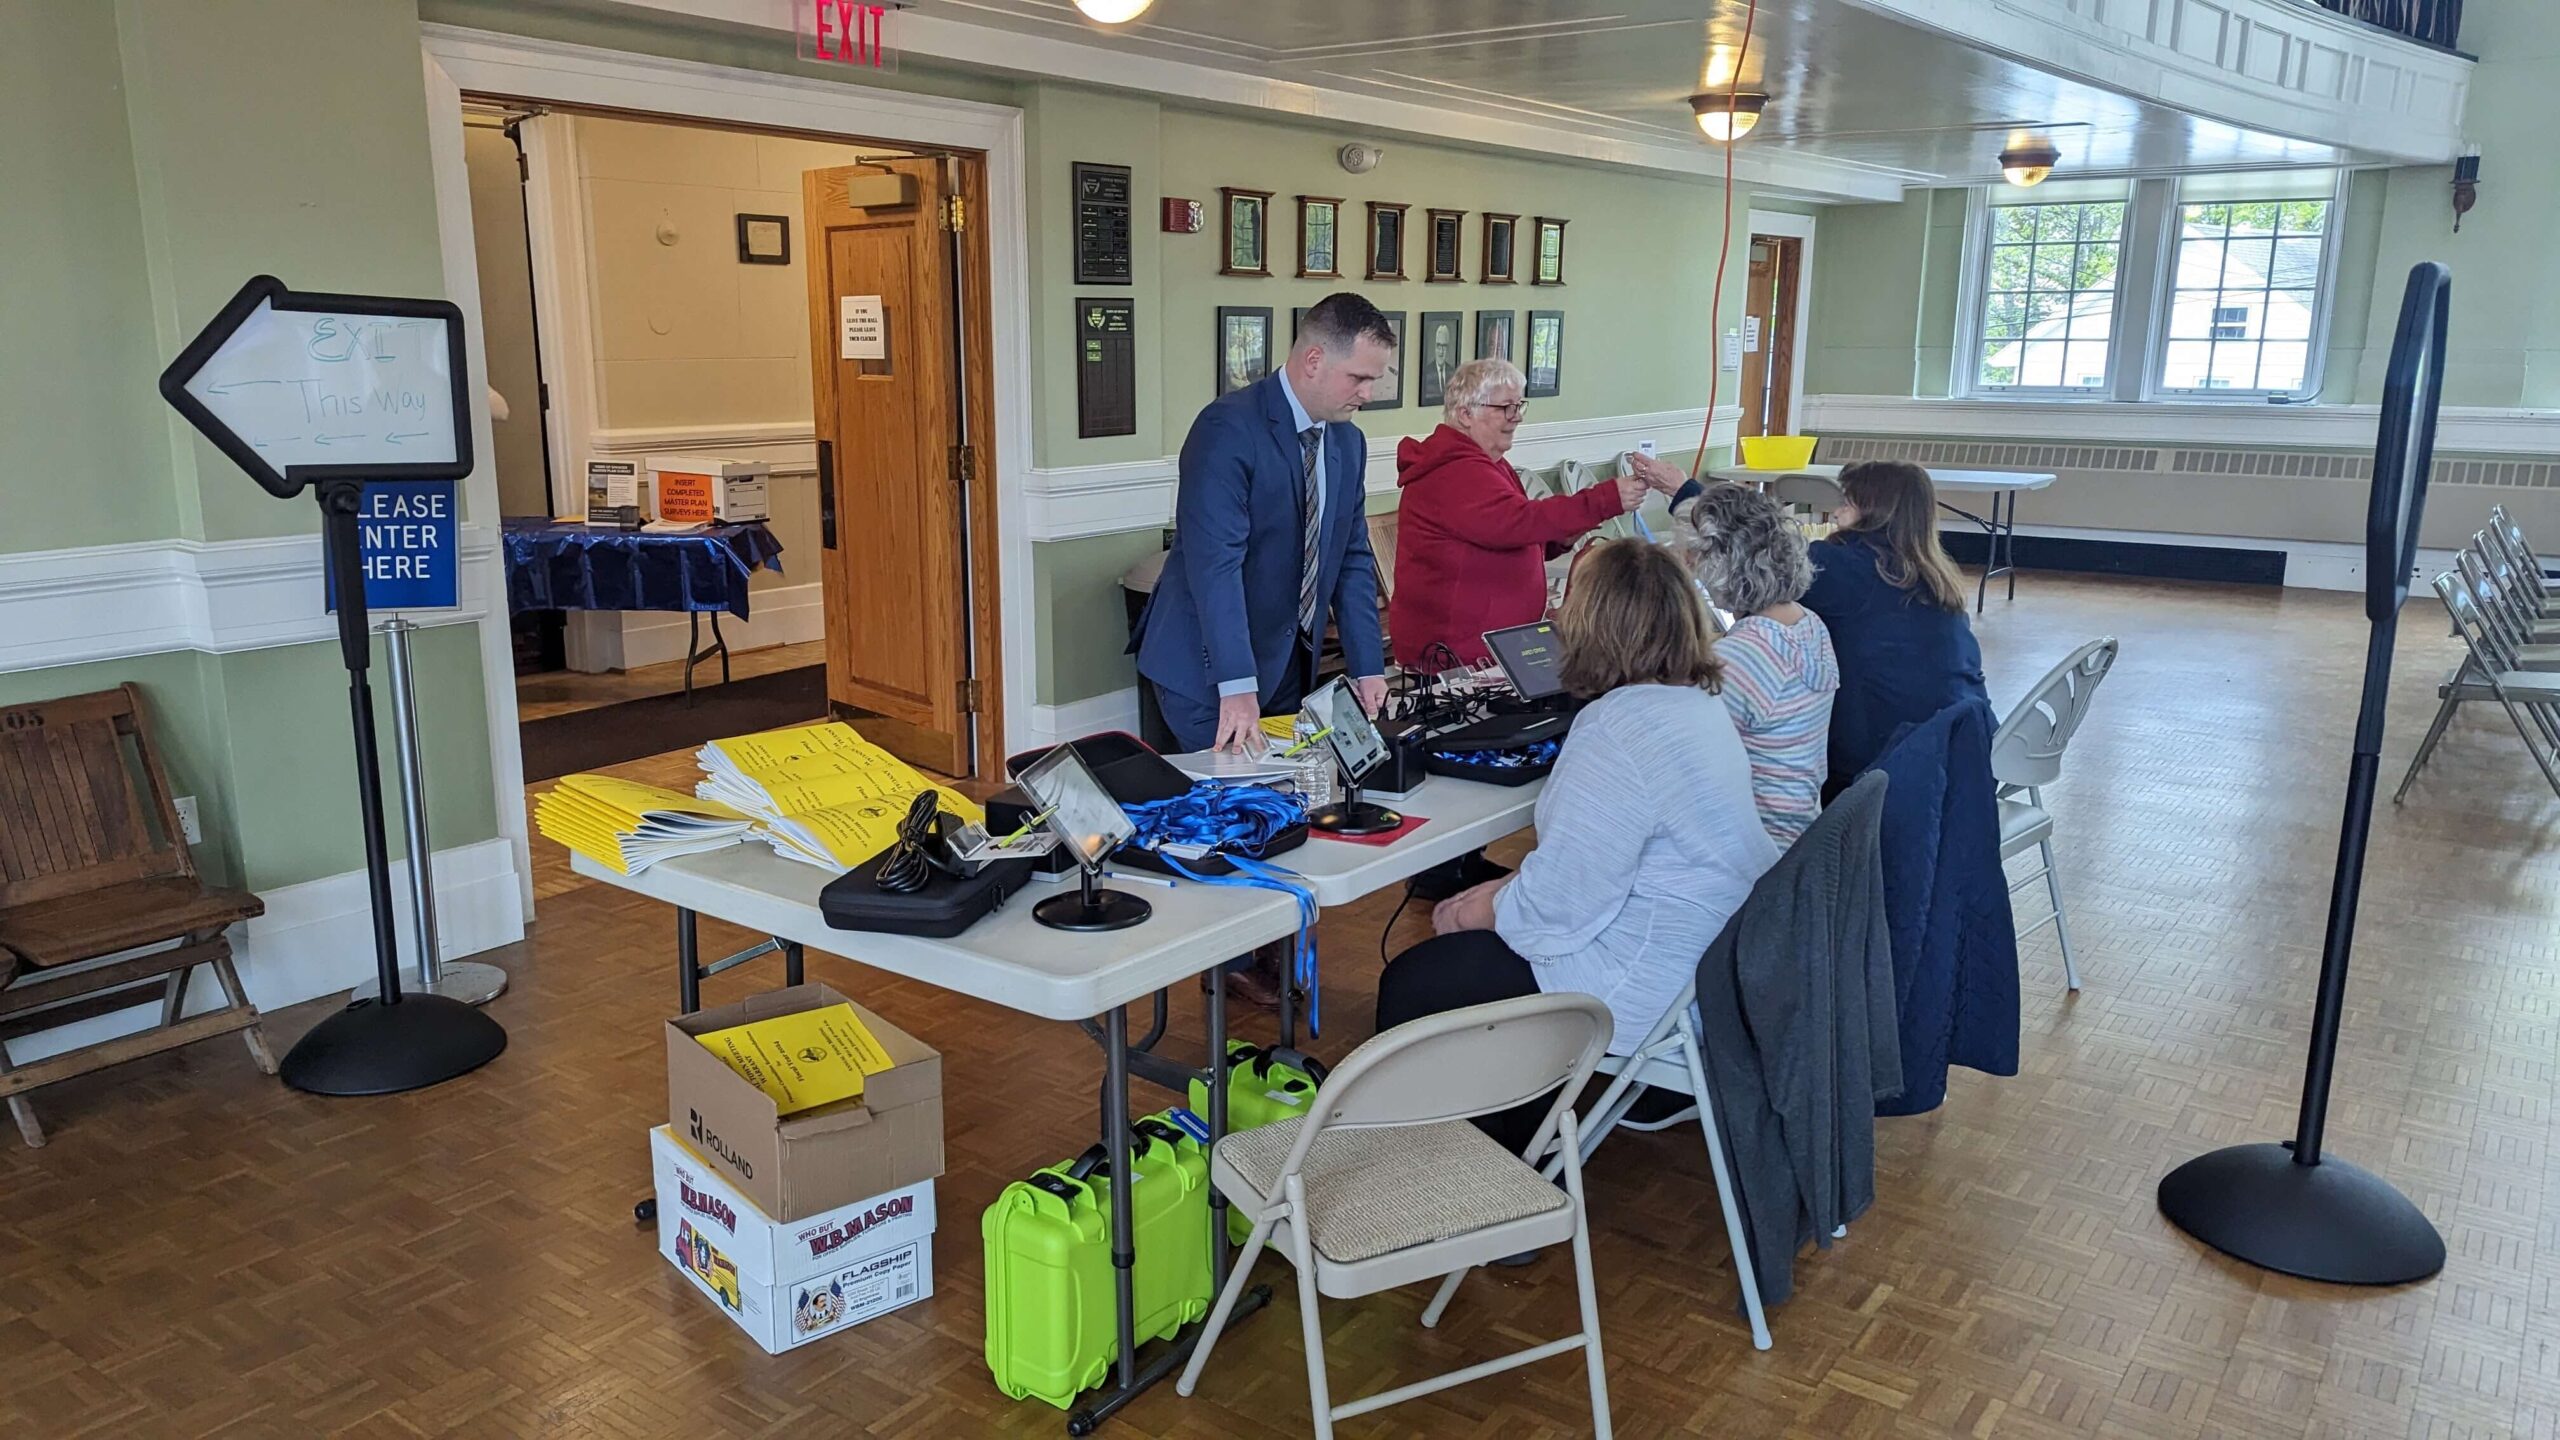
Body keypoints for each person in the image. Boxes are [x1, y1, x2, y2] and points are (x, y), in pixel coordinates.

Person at [1373, 538, 1780, 1154]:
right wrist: (1501, 892)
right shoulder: (1694, 703)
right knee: (1477, 925)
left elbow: (1558, 914)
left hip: (1654, 989)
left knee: (1417, 980)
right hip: (1713, 964)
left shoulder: (1616, 731)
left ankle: (1478, 1180)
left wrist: (1474, 911)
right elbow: (1587, 872)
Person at [1132, 292, 1395, 755]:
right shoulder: (1227, 430)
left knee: (1287, 803)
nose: (1368, 394)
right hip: (1208, 672)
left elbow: (1351, 557)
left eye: (1375, 379)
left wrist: (1367, 666)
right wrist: (1236, 685)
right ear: (1313, 360)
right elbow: (1216, 566)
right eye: (1359, 378)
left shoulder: (1347, 442)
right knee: (1235, 812)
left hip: (1289, 664)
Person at [1388, 358, 1641, 671]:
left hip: (1488, 648)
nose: (1517, 417)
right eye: (1506, 407)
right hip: (1454, 657)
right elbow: (1518, 521)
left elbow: (1506, 533)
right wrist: (1607, 498)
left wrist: (1557, 540)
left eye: (1519, 405)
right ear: (1466, 414)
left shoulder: (1485, 462)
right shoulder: (1455, 470)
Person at [1800, 460, 1989, 792]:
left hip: (1877, 770)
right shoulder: (1935, 577)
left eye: (1846, 503)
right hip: (1959, 757)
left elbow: (1762, 569)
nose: (1835, 514)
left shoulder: (1844, 567)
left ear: (1874, 512)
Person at [1682, 482, 1840, 847]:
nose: (1690, 562)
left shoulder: (1746, 653)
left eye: (1696, 553)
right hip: (1801, 831)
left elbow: (1678, 746)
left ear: (1720, 563)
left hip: (1757, 844)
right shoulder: (1810, 625)